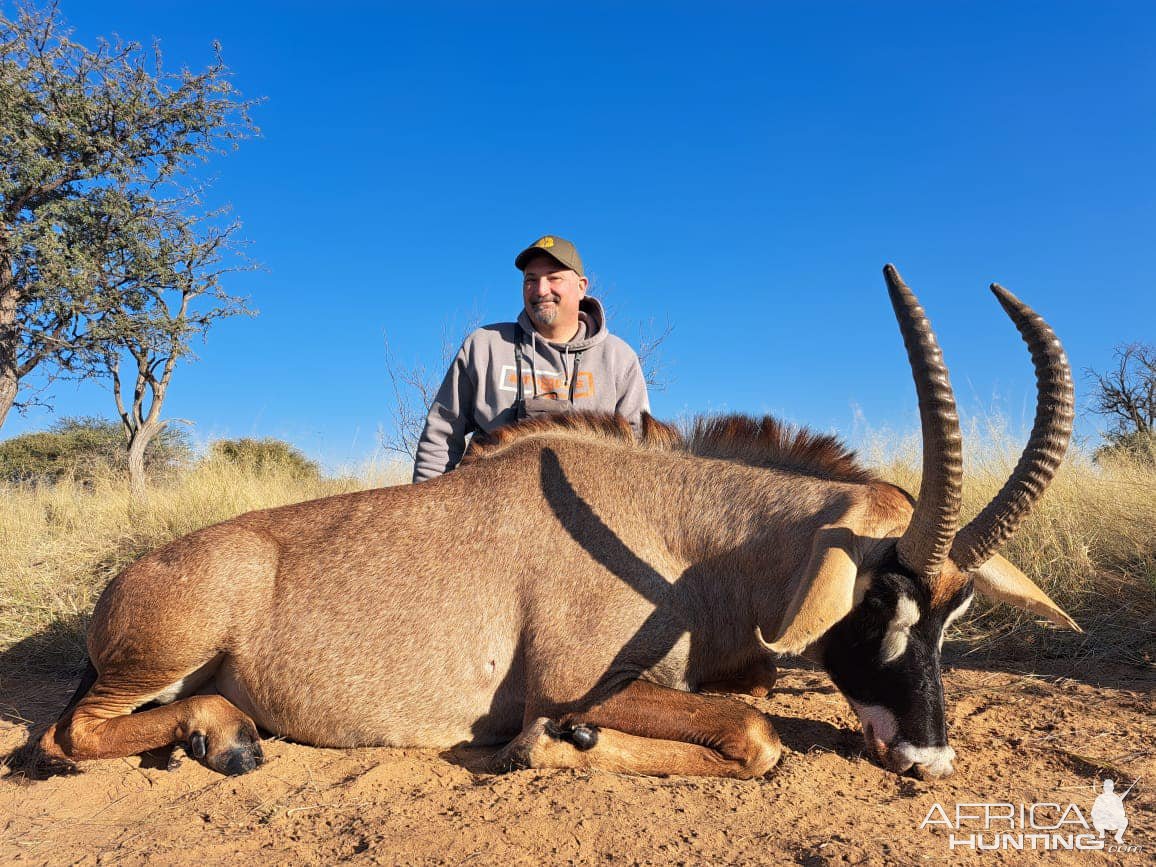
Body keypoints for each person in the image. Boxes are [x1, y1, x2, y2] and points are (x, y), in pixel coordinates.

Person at [412, 235, 650, 483]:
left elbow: (639, 453)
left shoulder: (619, 358)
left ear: (581, 286)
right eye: (531, 280)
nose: (541, 290)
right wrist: (423, 510)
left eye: (553, 277)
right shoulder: (484, 346)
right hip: (489, 509)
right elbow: (441, 436)